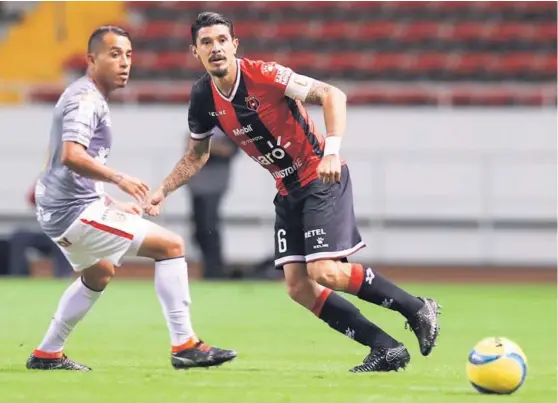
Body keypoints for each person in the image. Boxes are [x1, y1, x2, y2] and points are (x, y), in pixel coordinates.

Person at [145, 12, 441, 373]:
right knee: (299, 287)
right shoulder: (202, 96)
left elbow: (333, 95)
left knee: (325, 272)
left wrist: (331, 150)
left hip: (320, 176)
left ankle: (416, 308)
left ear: (235, 45)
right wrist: (162, 189)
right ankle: (385, 347)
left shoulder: (265, 75)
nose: (216, 48)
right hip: (287, 189)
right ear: (195, 52)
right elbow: (197, 155)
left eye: (222, 40)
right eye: (207, 42)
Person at [27, 25, 236, 372]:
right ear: (91, 60)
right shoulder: (85, 99)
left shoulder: (88, 95)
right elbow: (71, 155)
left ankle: (47, 353)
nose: (125, 62)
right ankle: (185, 344)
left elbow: (73, 172)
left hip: (63, 209)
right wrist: (119, 178)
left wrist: (109, 203)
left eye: (128, 55)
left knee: (99, 273)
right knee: (170, 246)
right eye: (114, 54)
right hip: (71, 213)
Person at [185, 127, 238, 279]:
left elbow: (228, 151)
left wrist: (204, 146)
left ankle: (215, 270)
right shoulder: (199, 124)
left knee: (210, 227)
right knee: (199, 230)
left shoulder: (229, 128)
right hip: (196, 186)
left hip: (214, 186)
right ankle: (208, 268)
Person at [9, 181, 72, 278]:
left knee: (63, 240)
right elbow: (31, 199)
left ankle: (63, 276)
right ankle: (18, 276)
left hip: (58, 232)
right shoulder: (45, 179)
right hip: (40, 231)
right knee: (19, 236)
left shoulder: (71, 183)